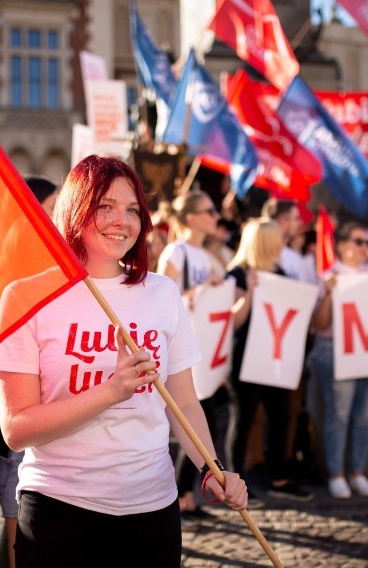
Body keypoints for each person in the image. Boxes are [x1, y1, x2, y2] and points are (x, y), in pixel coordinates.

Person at [0, 155, 247, 567]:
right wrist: (110, 391)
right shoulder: (25, 298)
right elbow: (17, 430)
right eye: (104, 206)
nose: (121, 221)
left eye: (132, 210)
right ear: (75, 208)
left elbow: (182, 401)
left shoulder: (161, 293)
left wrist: (211, 469)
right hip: (59, 508)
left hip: (152, 510)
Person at [0, 176, 59, 568]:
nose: (57, 219)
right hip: (22, 402)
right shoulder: (22, 274)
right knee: (19, 504)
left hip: (45, 405)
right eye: (51, 209)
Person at [225, 218, 313, 502]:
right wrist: (250, 290)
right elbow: (234, 321)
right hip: (246, 359)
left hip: (275, 356)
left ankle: (278, 475)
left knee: (281, 416)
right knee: (244, 419)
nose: (281, 246)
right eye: (276, 241)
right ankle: (235, 481)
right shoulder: (237, 274)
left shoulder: (281, 272)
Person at [308, 223, 368, 499]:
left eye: (367, 243)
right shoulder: (329, 277)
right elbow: (319, 325)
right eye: (359, 242)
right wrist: (330, 294)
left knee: (363, 416)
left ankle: (357, 471)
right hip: (335, 350)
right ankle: (336, 473)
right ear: (342, 245)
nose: (365, 247)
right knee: (339, 415)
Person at [156, 189, 225, 522]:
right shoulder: (178, 251)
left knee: (202, 421)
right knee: (193, 422)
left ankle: (185, 495)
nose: (217, 216)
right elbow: (163, 300)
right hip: (183, 353)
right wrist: (195, 293)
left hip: (204, 351)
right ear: (193, 218)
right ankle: (182, 496)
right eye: (211, 211)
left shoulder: (204, 254)